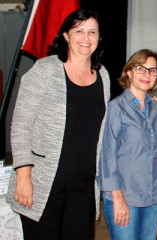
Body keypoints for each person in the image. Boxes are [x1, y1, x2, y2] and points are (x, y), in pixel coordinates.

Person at [6, 9, 110, 239]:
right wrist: (23, 177)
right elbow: (21, 125)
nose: (86, 38)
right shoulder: (44, 70)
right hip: (43, 182)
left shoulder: (103, 75)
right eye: (79, 31)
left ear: (99, 37)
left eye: (92, 32)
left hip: (83, 186)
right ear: (66, 35)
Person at [98, 49, 157, 240]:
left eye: (152, 70)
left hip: (155, 195)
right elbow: (107, 157)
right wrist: (117, 197)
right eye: (141, 68)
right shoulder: (115, 108)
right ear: (129, 72)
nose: (147, 74)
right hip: (125, 195)